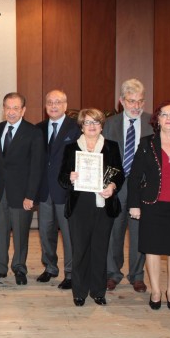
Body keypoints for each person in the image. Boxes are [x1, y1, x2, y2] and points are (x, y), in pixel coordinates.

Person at [128, 101, 170, 311]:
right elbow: (135, 176)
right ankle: (156, 291)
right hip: (152, 204)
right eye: (164, 114)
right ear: (157, 119)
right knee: (152, 249)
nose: (168, 118)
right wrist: (134, 204)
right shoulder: (146, 143)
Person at [58, 108, 124, 307]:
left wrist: (112, 186)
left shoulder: (111, 147)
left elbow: (119, 174)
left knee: (99, 249)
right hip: (79, 206)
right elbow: (61, 178)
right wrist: (70, 177)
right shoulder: (71, 148)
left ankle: (98, 291)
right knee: (80, 250)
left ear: (101, 126)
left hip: (103, 204)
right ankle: (79, 292)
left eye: (96, 122)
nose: (92, 126)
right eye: (87, 122)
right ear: (82, 126)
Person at [0, 93, 44, 285]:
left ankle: (19, 268)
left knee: (20, 234)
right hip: (0, 191)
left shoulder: (33, 132)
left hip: (22, 194)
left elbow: (37, 167)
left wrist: (31, 196)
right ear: (3, 109)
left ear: (23, 110)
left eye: (15, 108)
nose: (11, 112)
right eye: (8, 108)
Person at [104, 78, 153, 293]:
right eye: (132, 101)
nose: (136, 106)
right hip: (116, 186)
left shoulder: (153, 122)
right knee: (114, 231)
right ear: (122, 101)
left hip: (142, 187)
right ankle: (112, 273)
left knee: (139, 233)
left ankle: (137, 275)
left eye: (140, 101)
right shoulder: (110, 124)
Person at [35, 90, 81, 289]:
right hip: (44, 190)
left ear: (65, 105)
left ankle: (70, 273)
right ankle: (50, 267)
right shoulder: (38, 128)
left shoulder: (76, 128)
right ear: (45, 106)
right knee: (46, 232)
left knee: (68, 235)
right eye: (50, 102)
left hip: (66, 190)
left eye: (58, 102)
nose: (53, 106)